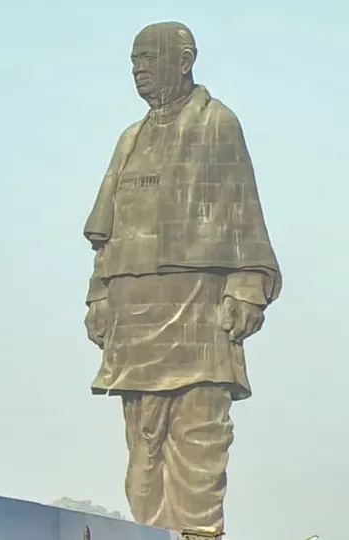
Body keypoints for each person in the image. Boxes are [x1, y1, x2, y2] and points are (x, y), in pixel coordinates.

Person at [82, 22, 282, 533]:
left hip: (197, 311)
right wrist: (98, 296)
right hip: (134, 324)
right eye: (133, 63)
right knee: (142, 461)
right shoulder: (130, 138)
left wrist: (246, 288)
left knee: (198, 445)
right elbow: (106, 234)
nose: (139, 71)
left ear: (185, 59)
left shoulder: (218, 124)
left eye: (148, 59)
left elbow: (244, 214)